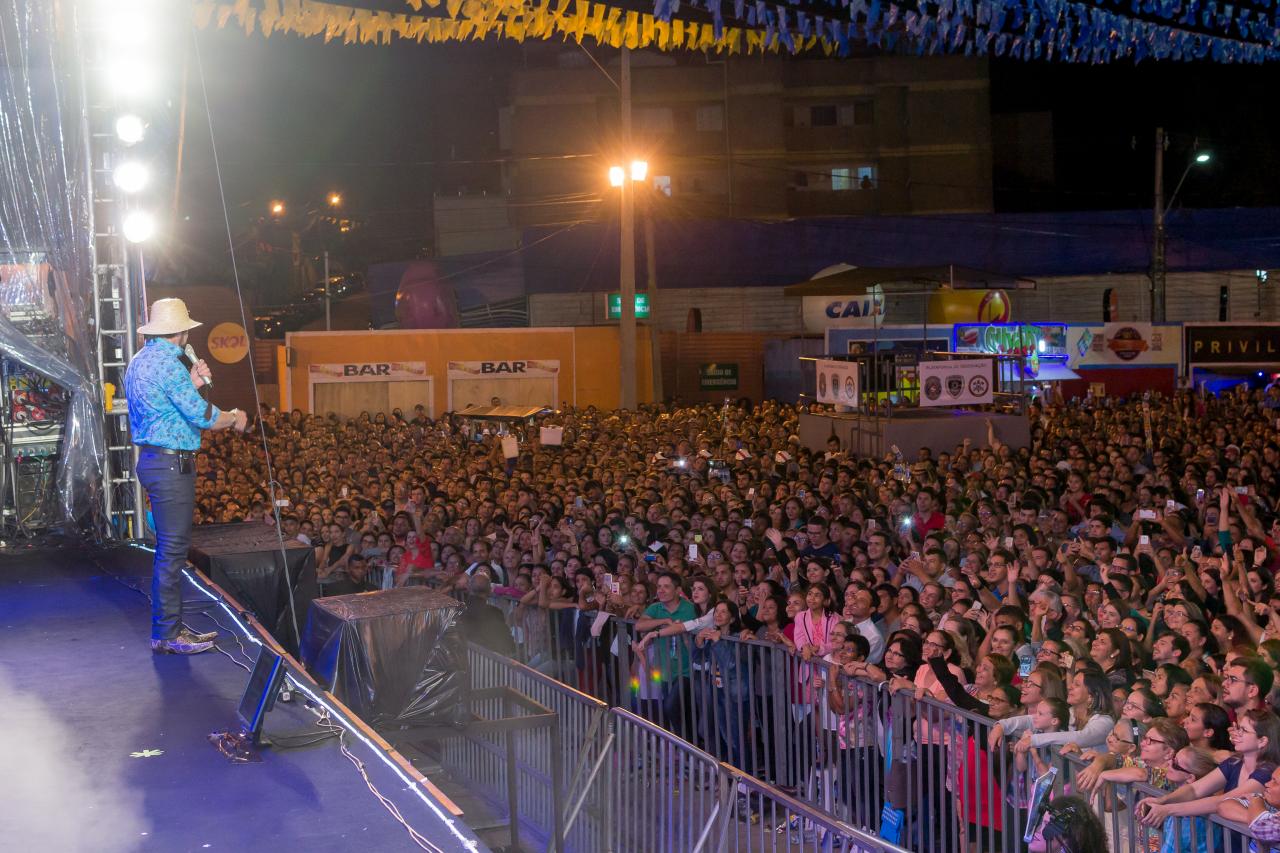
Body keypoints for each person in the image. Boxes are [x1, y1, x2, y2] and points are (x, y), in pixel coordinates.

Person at [125, 298, 247, 654]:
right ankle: (167, 633)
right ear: (181, 332)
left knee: (169, 549)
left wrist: (191, 384)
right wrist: (234, 416)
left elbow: (161, 410)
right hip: (169, 466)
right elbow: (204, 417)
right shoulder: (168, 363)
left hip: (152, 461)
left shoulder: (141, 360)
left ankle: (170, 627)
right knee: (172, 551)